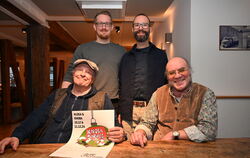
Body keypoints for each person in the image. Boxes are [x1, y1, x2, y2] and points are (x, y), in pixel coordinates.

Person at [0, 59, 125, 154]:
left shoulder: (102, 98)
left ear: (92, 80)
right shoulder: (57, 95)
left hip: (80, 151)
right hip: (46, 148)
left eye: (88, 72)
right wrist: (17, 135)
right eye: (79, 70)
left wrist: (120, 133)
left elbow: (113, 126)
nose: (82, 74)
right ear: (73, 73)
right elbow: (36, 117)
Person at [130, 57, 218, 147]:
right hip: (160, 150)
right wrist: (140, 132)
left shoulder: (205, 93)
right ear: (167, 77)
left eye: (182, 70)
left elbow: (209, 130)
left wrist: (175, 134)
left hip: (192, 150)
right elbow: (147, 123)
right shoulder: (158, 93)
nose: (177, 76)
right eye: (171, 73)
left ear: (189, 71)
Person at [62, 10, 126, 113]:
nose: (104, 27)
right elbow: (70, 75)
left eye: (107, 24)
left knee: (112, 129)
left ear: (112, 27)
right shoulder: (82, 49)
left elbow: (125, 80)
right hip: (87, 100)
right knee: (86, 130)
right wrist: (64, 101)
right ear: (94, 26)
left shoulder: (121, 51)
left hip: (114, 102)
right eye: (100, 23)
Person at [118, 13, 168, 138]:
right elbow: (121, 85)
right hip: (129, 112)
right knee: (129, 150)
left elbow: (167, 85)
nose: (140, 28)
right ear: (132, 29)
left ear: (149, 28)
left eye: (144, 25)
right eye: (137, 25)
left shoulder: (161, 56)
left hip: (153, 112)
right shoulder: (125, 57)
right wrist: (120, 111)